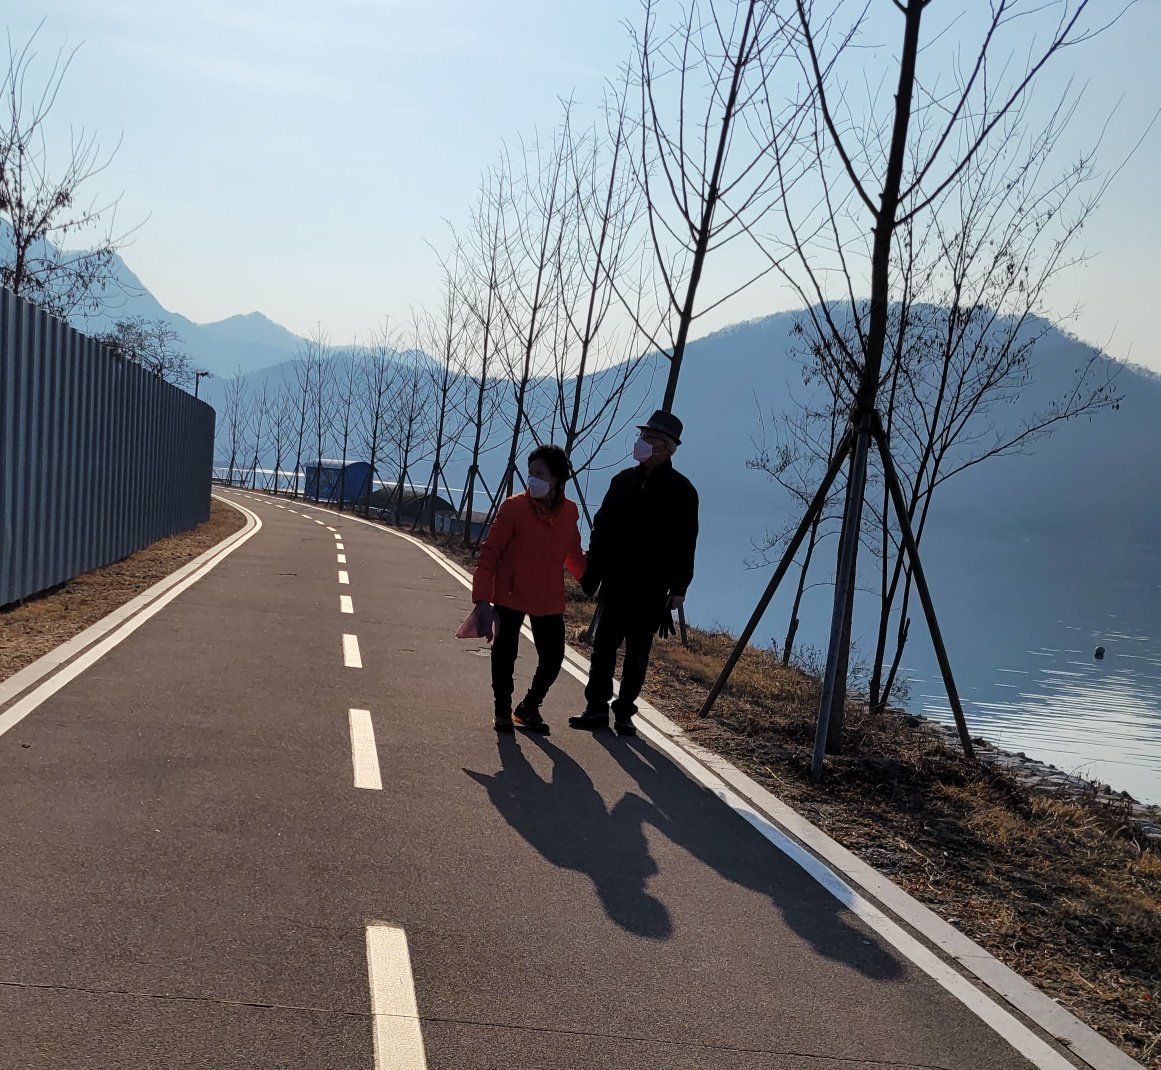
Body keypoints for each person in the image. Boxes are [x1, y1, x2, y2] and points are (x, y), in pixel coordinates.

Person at [569, 410, 699, 737]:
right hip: (616, 580)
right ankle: (596, 708)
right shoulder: (622, 481)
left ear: (666, 448)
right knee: (603, 647)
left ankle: (625, 712)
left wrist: (679, 587)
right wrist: (593, 571)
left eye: (649, 439)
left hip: (652, 587)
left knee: (638, 653)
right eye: (641, 436)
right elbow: (601, 528)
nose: (641, 443)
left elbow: (686, 542)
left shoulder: (683, 491)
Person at [471, 444, 586, 734]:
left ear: (556, 478)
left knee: (553, 659)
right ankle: (502, 710)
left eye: (540, 473)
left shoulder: (569, 512)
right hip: (510, 593)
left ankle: (529, 707)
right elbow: (489, 553)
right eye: (531, 472)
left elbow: (572, 552)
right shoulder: (514, 507)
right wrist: (482, 598)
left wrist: (590, 580)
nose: (532, 478)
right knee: (504, 654)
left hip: (548, 597)